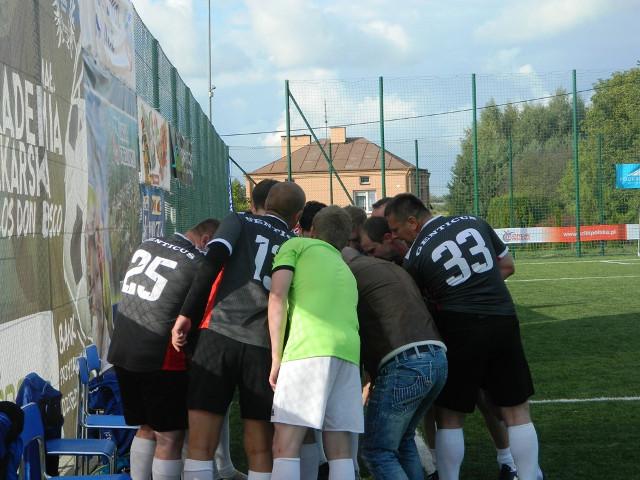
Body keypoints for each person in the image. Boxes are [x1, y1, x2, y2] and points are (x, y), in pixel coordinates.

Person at [385, 194, 542, 480]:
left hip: (459, 326)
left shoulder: (415, 256)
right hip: (503, 318)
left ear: (412, 221)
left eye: (396, 229)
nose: (395, 236)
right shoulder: (474, 221)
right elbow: (507, 265)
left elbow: (419, 304)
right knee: (517, 412)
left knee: (449, 416)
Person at [173, 182, 306, 480]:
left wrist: (187, 314)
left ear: (265, 203)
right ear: (297, 217)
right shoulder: (296, 243)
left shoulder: (238, 220)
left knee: (200, 445)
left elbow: (212, 262)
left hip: (218, 334)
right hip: (263, 346)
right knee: (260, 447)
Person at [107, 219, 220, 480]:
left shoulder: (148, 243)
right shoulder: (198, 263)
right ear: (205, 241)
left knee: (146, 427)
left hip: (122, 348)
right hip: (158, 357)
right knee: (169, 437)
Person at [268, 206, 363, 480]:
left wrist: (276, 358)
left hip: (308, 348)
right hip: (348, 353)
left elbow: (277, 296)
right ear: (346, 239)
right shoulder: (346, 270)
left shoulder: (296, 245)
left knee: (285, 444)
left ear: (312, 231)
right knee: (340, 449)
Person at [341, 243, 447, 480]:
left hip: (406, 362)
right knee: (404, 440)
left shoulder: (348, 275)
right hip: (437, 356)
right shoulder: (387, 267)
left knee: (377, 451)